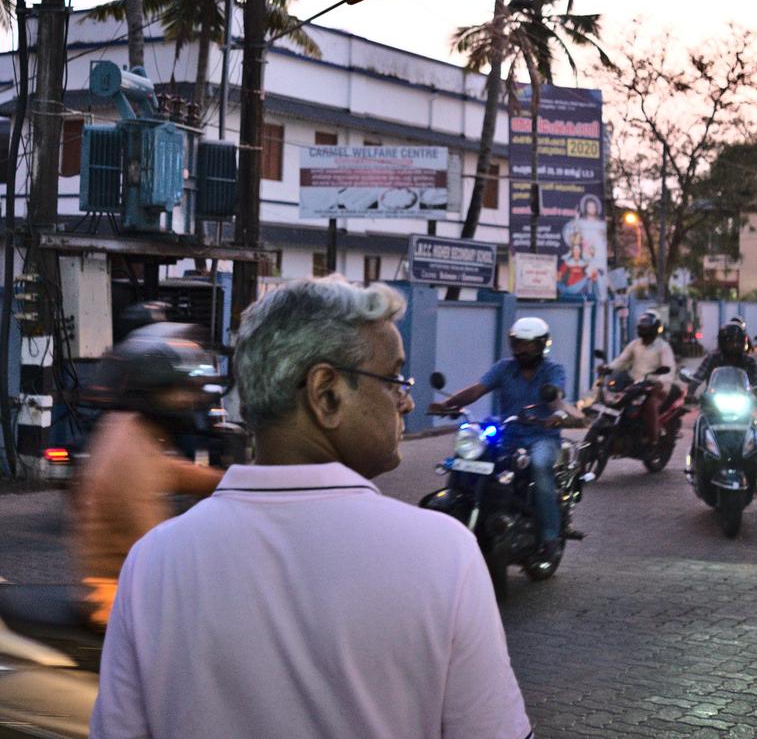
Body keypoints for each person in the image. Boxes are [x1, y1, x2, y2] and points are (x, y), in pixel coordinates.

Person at [90, 278, 531, 739]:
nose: (407, 401)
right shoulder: (445, 554)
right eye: (395, 379)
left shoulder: (155, 561)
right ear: (326, 394)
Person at [72, 328, 224, 628]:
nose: (189, 400)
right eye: (180, 391)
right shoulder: (130, 455)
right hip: (119, 608)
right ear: (155, 394)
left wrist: (246, 480)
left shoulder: (130, 430)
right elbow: (155, 551)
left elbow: (179, 473)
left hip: (130, 594)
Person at [429, 315, 568, 563]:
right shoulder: (504, 367)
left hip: (541, 437)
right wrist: (448, 405)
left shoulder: (553, 370)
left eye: (528, 344)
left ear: (541, 345)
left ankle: (550, 538)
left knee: (539, 466)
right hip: (509, 435)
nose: (522, 349)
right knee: (469, 456)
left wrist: (558, 414)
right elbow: (478, 389)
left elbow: (556, 395)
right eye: (518, 343)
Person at [604, 310, 676, 446]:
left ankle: (653, 439)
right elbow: (621, 361)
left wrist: (660, 382)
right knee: (617, 401)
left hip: (654, 387)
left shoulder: (663, 347)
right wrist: (608, 368)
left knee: (650, 405)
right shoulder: (635, 344)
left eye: (647, 327)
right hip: (636, 384)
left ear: (654, 329)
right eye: (642, 327)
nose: (644, 330)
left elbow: (669, 369)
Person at [686, 320, 757, 406]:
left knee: (753, 420)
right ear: (722, 343)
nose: (735, 345)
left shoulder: (749, 362)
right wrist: (690, 394)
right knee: (701, 419)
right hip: (712, 404)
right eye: (730, 342)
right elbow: (698, 377)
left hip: (741, 404)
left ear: (743, 342)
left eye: (738, 342)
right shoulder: (712, 359)